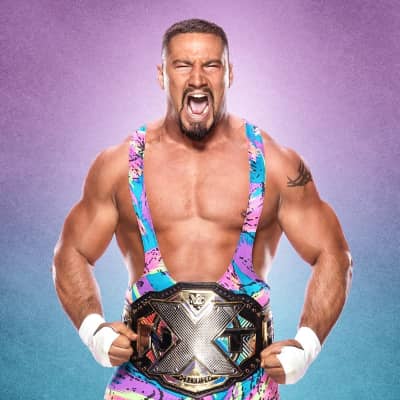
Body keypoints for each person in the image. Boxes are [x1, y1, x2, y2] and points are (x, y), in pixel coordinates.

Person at [52, 18, 352, 400]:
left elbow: (333, 254)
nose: (197, 78)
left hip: (245, 388)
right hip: (142, 386)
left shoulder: (276, 165)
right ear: (162, 75)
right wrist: (94, 330)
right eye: (182, 65)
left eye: (211, 65)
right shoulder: (119, 166)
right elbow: (71, 252)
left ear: (230, 74)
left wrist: (306, 346)